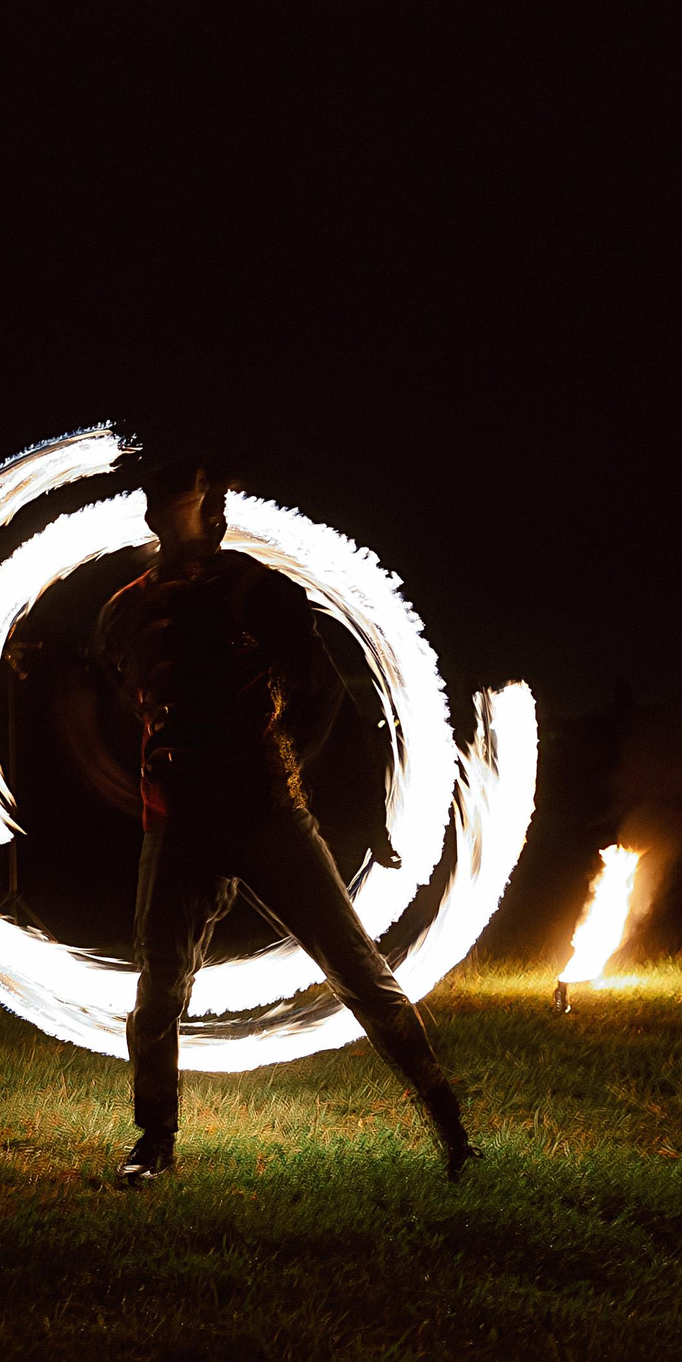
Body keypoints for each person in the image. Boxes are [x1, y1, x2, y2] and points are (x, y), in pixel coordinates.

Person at [97, 459, 469, 1184]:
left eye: (194, 506)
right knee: (160, 985)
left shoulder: (256, 590)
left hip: (265, 813)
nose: (182, 519)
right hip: (177, 822)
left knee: (356, 966)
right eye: (168, 508)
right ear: (152, 519)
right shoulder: (126, 609)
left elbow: (327, 691)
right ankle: (154, 1141)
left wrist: (356, 800)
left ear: (214, 513)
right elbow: (132, 698)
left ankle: (450, 1121)